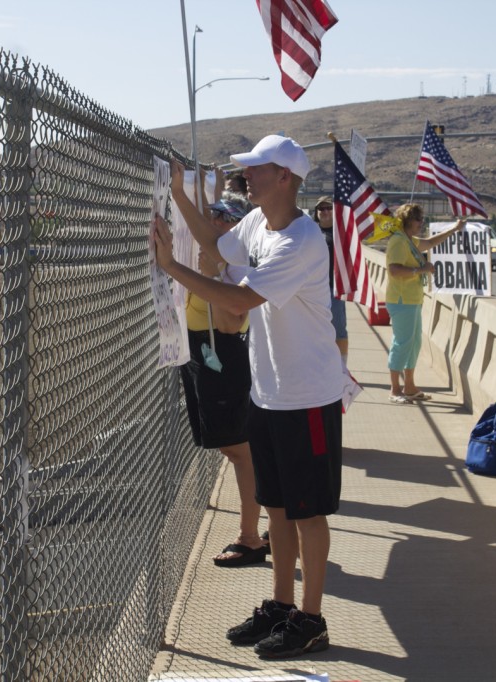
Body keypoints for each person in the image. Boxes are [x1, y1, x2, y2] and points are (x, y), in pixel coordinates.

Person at [152, 134, 343, 660]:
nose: (247, 178)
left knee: (308, 513)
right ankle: (282, 606)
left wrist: (171, 266)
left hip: (307, 397)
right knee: (278, 507)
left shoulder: (300, 242)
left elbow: (239, 297)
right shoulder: (258, 223)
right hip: (270, 393)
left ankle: (312, 617)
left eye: (257, 170)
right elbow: (217, 248)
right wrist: (180, 198)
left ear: (285, 177)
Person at [169, 172, 266, 567]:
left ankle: (251, 536)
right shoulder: (217, 258)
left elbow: (232, 318)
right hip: (204, 356)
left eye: (225, 218)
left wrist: (208, 277)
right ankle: (267, 527)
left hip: (221, 356)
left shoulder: (233, 268)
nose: (215, 222)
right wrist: (186, 191)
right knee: (234, 448)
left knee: (242, 452)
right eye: (214, 216)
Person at [384, 203, 465, 403]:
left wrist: (453, 229)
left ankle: (409, 386)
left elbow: (429, 243)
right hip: (401, 299)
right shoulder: (398, 241)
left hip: (413, 299)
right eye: (418, 219)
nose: (421, 223)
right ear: (407, 220)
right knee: (402, 343)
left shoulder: (409, 241)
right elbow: (393, 269)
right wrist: (420, 271)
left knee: (414, 343)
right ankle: (395, 389)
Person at [313, 196, 348, 365]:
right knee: (316, 332)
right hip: (313, 292)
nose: (325, 211)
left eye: (329, 208)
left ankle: (342, 367)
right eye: (322, 209)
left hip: (334, 291)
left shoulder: (341, 233)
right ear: (316, 212)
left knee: (338, 331)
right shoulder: (310, 232)